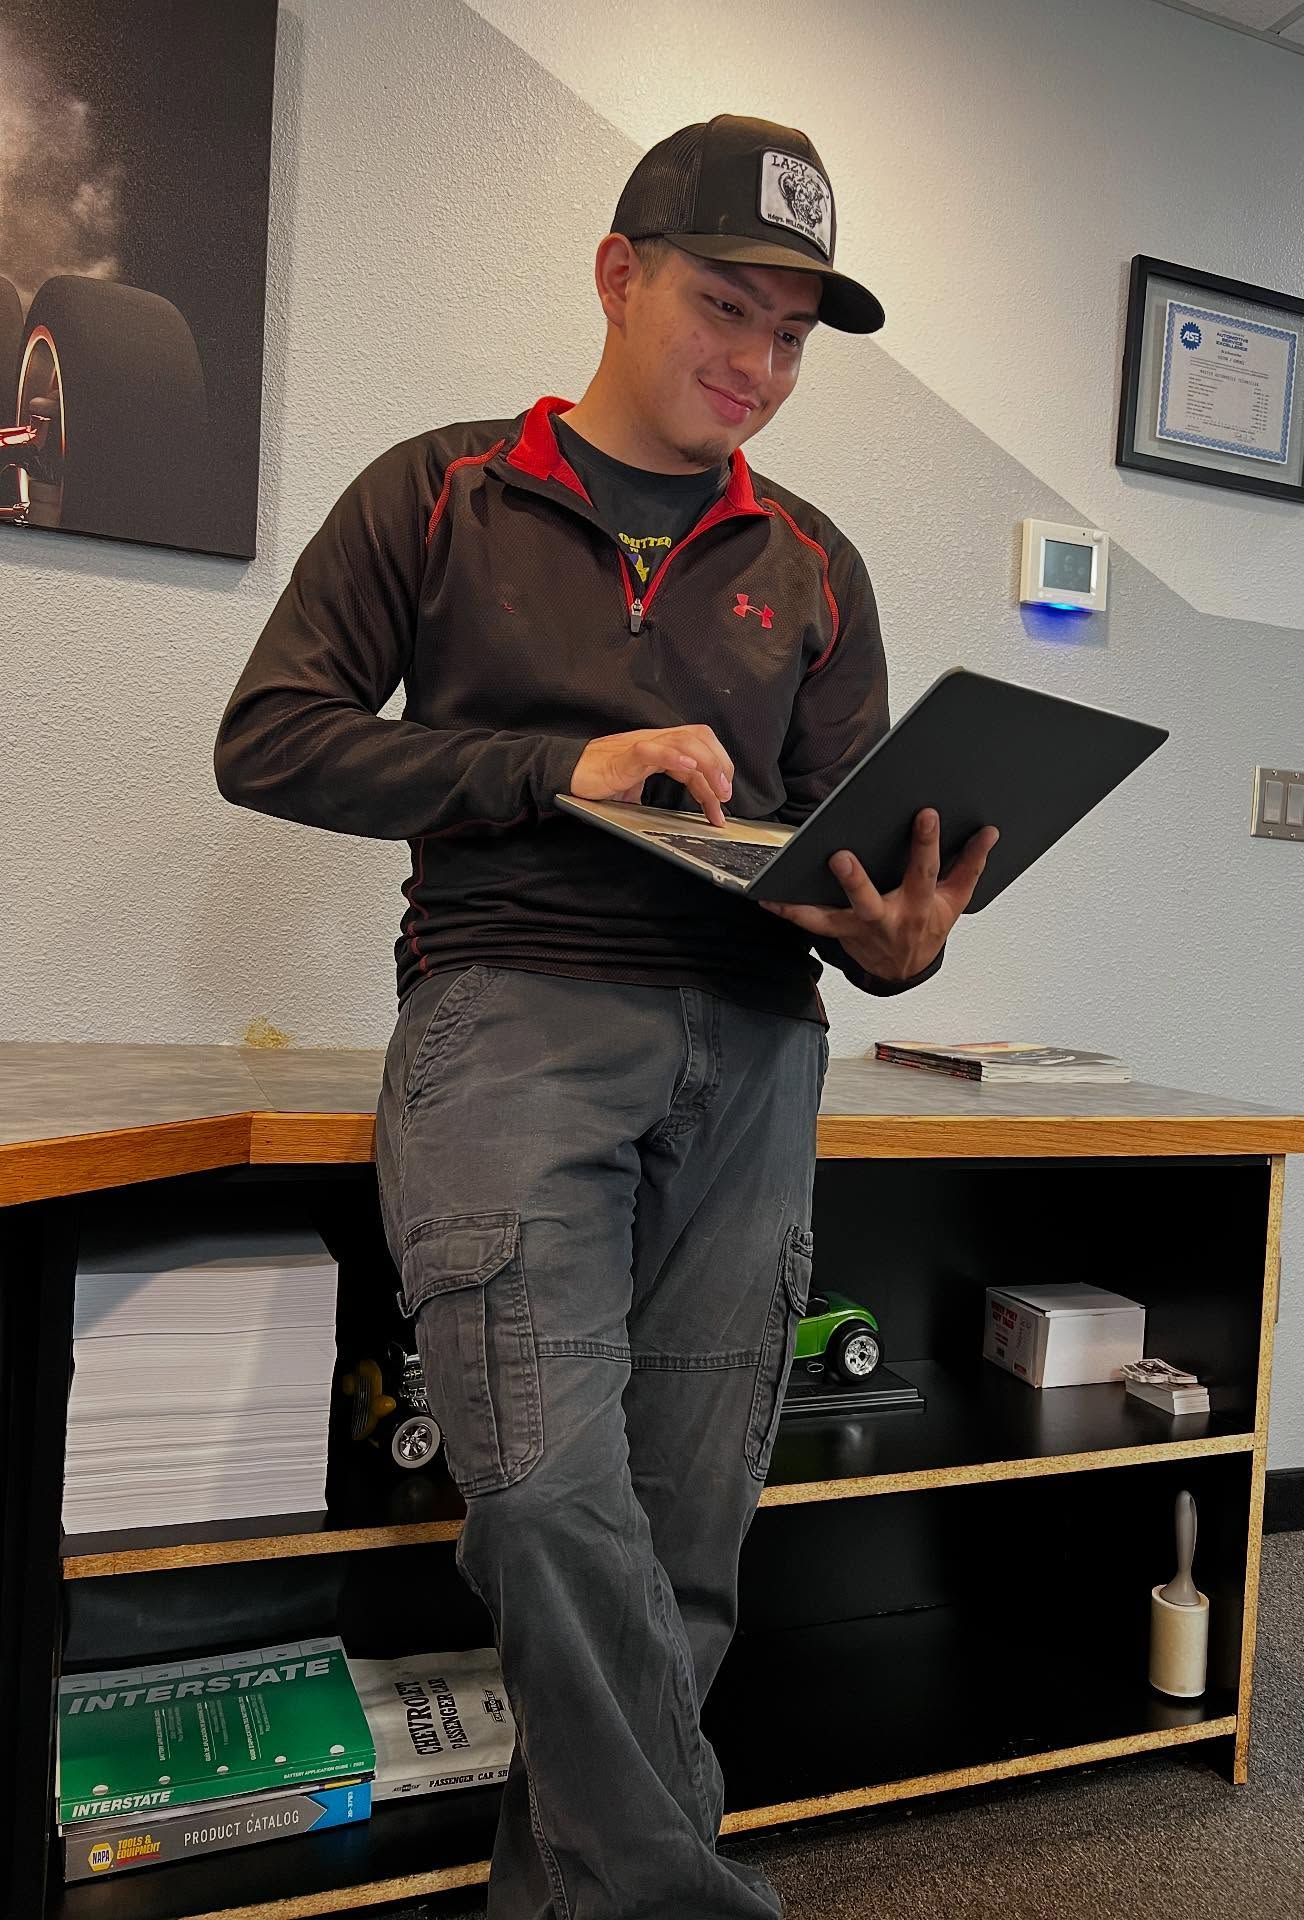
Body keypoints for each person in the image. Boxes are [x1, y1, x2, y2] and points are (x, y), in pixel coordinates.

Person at [215, 113, 995, 1920]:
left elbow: (853, 863)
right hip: (513, 1022)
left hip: (761, 1048)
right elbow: (269, 738)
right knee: (553, 1508)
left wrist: (903, 944)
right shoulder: (439, 492)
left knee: (686, 1543)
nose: (761, 366)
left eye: (793, 336)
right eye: (729, 308)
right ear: (618, 275)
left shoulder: (813, 561)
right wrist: (559, 769)